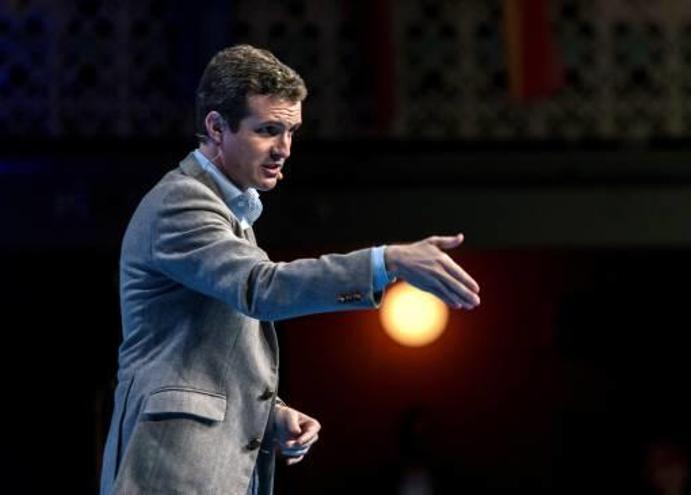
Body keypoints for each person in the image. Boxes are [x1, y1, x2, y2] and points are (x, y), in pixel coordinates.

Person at [99, 44, 481, 494]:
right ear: (216, 128)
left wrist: (268, 413)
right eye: (268, 130)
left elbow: (204, 351)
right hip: (173, 470)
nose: (284, 148)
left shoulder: (227, 209)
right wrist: (386, 261)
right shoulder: (181, 202)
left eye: (292, 131)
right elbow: (263, 288)